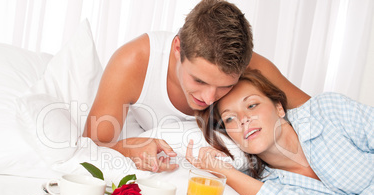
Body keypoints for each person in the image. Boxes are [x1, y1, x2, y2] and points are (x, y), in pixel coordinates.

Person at [83, 0, 310, 172]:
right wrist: (127, 147)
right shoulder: (134, 61)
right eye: (199, 80)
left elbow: (314, 115)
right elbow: (91, 145)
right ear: (177, 48)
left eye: (225, 86)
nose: (210, 97)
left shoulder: (251, 66)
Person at [186, 69, 374, 195]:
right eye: (230, 118)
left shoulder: (327, 112)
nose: (243, 119)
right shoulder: (266, 184)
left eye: (252, 105)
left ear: (279, 107)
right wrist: (227, 173)